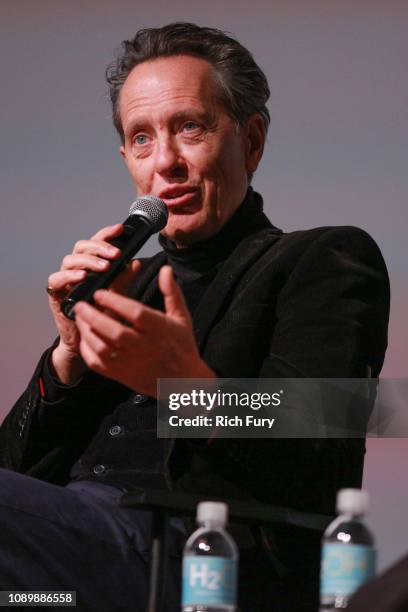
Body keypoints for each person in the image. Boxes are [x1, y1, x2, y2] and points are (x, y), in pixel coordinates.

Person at [0, 22, 389, 612]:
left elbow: (317, 446)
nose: (166, 162)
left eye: (190, 127)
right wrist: (67, 362)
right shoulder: (123, 290)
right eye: (141, 138)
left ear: (251, 141)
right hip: (52, 585)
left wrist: (182, 384)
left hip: (195, 564)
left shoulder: (322, 259)